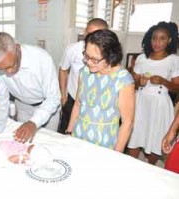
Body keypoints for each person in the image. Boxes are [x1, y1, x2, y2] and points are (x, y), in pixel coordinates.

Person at [66, 29, 135, 152]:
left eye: (95, 59)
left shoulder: (123, 80)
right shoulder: (85, 72)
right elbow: (78, 104)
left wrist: (117, 154)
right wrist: (69, 131)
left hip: (104, 141)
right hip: (78, 135)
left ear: (110, 56)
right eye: (86, 56)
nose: (88, 62)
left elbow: (127, 123)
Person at [0, 32, 61, 143]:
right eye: (3, 69)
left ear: (18, 48)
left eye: (13, 64)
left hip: (48, 107)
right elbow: (1, 98)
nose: (9, 72)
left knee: (48, 144)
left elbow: (53, 98)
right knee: (23, 145)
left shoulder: (41, 58)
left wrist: (33, 122)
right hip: (22, 106)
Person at [127, 21, 179, 165]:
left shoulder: (174, 60)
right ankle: (130, 166)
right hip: (141, 102)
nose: (157, 42)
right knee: (135, 135)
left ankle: (150, 168)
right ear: (149, 39)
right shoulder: (142, 58)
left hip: (160, 104)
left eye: (162, 38)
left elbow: (177, 88)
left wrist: (164, 81)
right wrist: (139, 83)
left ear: (169, 40)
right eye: (154, 38)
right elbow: (131, 84)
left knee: (155, 138)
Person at [58, 18, 108, 134]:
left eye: (98, 35)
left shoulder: (109, 54)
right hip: (73, 99)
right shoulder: (73, 49)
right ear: (85, 32)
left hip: (96, 104)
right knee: (66, 133)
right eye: (90, 34)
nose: (93, 38)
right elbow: (63, 70)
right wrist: (63, 95)